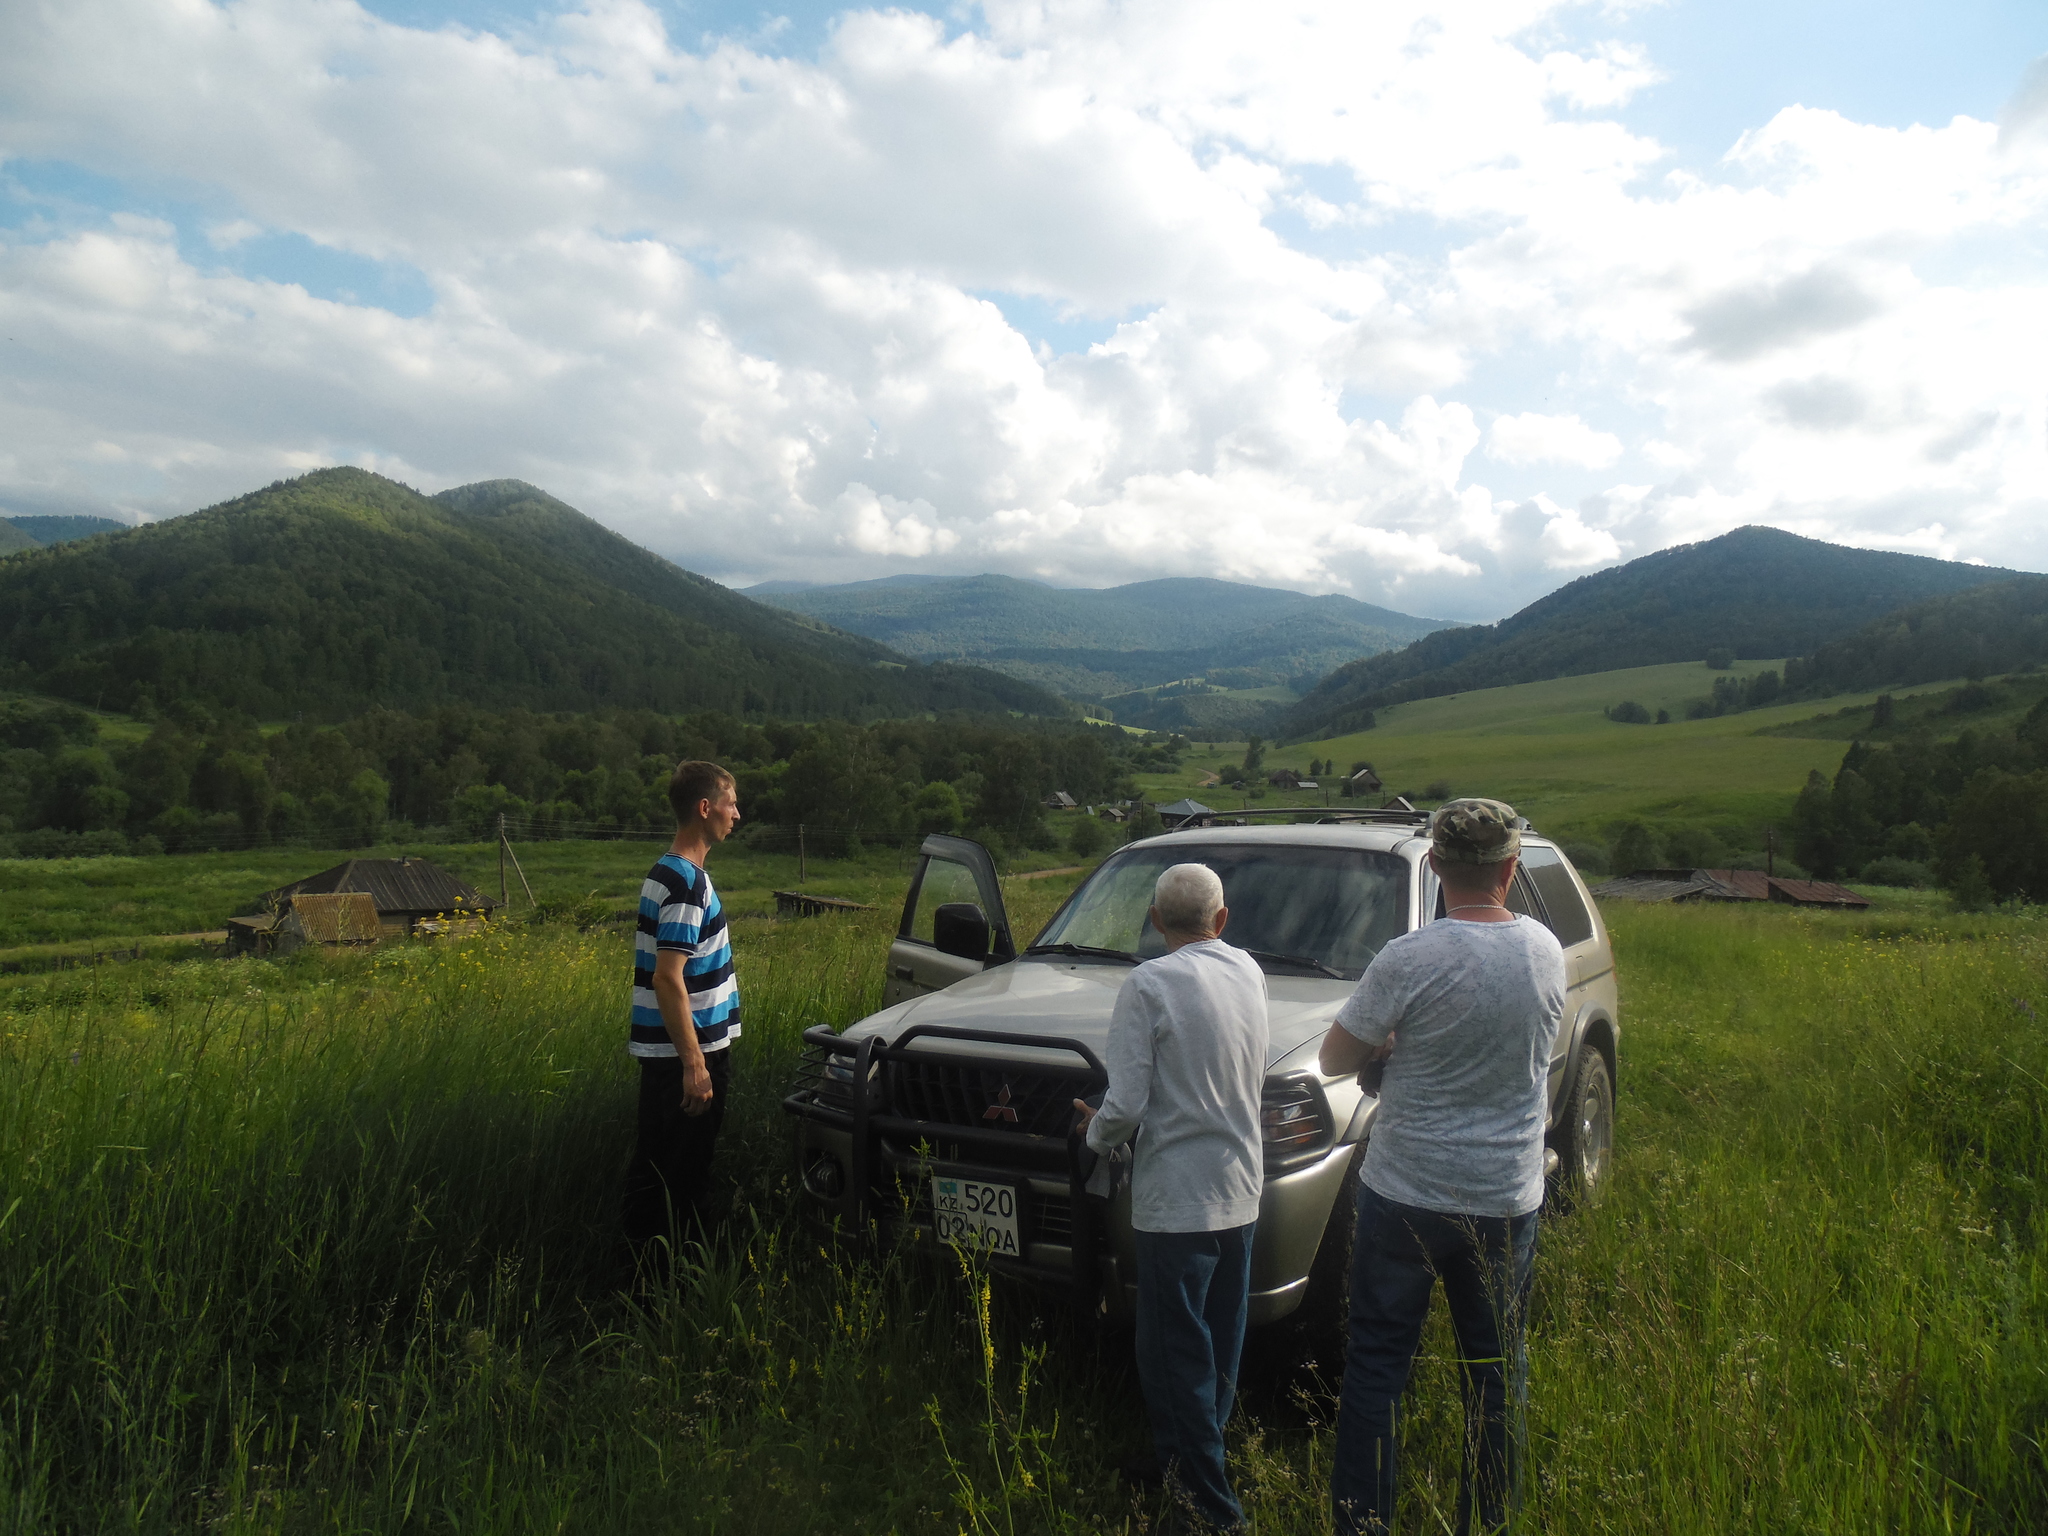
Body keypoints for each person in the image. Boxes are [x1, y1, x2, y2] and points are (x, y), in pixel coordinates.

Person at [1319, 798, 1565, 1536]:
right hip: (1506, 1195)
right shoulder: (1546, 951)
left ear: (1433, 867)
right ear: (1511, 868)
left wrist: (1390, 1045)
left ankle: (1364, 1524)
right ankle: (1486, 1522)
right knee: (1494, 1374)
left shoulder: (1407, 957)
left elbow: (1335, 1058)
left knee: (1378, 1368)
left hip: (1405, 1194)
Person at [1072, 863, 1269, 1533]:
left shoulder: (1149, 983)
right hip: (1240, 1188)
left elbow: (1125, 1105)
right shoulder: (1248, 971)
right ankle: (1186, 1461)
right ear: (1222, 919)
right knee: (1218, 1344)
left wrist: (1092, 1132)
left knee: (1172, 1355)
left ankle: (1209, 1512)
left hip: (1177, 1201)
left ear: (1155, 920)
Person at [620, 760, 743, 1280]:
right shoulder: (688, 884)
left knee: (654, 1169)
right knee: (685, 1178)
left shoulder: (664, 871)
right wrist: (696, 1065)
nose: (737, 813)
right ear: (705, 807)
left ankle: (637, 1280)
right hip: (686, 1054)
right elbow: (668, 978)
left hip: (668, 1052)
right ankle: (676, 1288)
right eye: (731, 802)